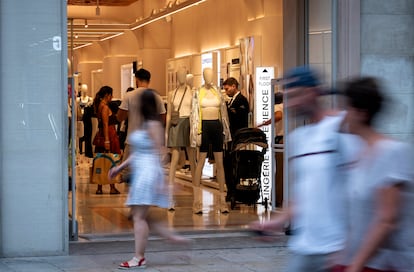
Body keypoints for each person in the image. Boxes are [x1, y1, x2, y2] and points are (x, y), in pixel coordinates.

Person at [250, 66, 352, 271]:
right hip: (304, 248)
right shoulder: (299, 138)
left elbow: (360, 190)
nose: (291, 103)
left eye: (296, 95)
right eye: (288, 97)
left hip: (337, 248)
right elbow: (302, 195)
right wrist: (276, 222)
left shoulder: (341, 128)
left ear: (313, 92)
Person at [333, 77, 414, 272]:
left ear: (362, 113)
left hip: (384, 264)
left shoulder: (392, 152)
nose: (343, 116)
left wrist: (356, 266)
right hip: (358, 261)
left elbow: (387, 220)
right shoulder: (359, 153)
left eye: (347, 109)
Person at [108, 89, 189, 269]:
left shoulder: (152, 125)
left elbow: (159, 153)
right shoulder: (146, 124)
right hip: (143, 173)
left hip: (147, 173)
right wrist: (120, 168)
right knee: (141, 215)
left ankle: (139, 257)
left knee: (138, 216)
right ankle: (170, 237)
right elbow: (139, 153)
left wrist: (161, 182)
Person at [190, 67, 231, 214]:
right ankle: (197, 202)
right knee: (200, 162)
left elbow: (223, 114)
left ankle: (222, 202)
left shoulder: (217, 92)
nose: (209, 77)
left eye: (211, 74)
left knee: (220, 163)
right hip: (204, 127)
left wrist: (226, 131)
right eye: (206, 74)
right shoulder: (198, 93)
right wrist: (196, 133)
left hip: (216, 126)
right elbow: (194, 114)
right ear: (202, 76)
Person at [117, 68, 166, 184]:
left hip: (132, 141)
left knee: (126, 173)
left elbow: (120, 117)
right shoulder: (156, 97)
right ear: (149, 81)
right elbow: (163, 118)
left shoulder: (129, 95)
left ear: (136, 80)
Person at [166, 67, 196, 210]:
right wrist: (166, 131)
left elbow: (195, 112)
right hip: (176, 125)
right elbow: (169, 114)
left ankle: (197, 197)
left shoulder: (192, 92)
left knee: (193, 160)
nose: (181, 77)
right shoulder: (172, 93)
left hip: (189, 124)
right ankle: (169, 196)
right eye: (179, 75)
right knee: (174, 160)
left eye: (183, 75)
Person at [222, 77, 249, 201]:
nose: (226, 91)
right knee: (228, 164)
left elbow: (240, 119)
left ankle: (234, 191)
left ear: (234, 86)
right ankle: (231, 190)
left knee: (234, 164)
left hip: (237, 138)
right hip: (230, 138)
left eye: (227, 88)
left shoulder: (242, 100)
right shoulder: (231, 101)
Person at [92, 85, 121, 195]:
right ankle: (112, 187)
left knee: (102, 160)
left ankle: (100, 187)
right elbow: (105, 124)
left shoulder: (100, 106)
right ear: (107, 95)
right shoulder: (104, 107)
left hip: (104, 134)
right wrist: (107, 140)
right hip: (108, 134)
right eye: (111, 95)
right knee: (111, 160)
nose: (112, 97)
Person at [257, 92, 284, 207]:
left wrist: (264, 123)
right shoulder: (287, 107)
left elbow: (278, 116)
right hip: (286, 139)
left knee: (280, 171)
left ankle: (278, 199)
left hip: (281, 140)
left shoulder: (278, 107)